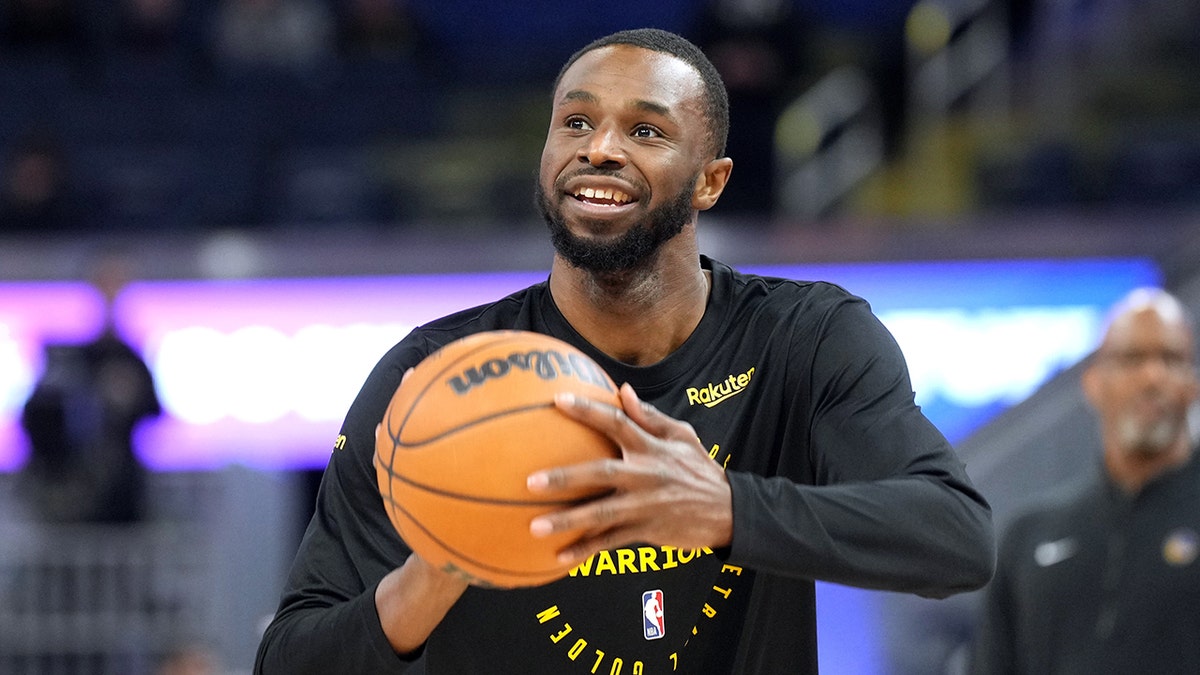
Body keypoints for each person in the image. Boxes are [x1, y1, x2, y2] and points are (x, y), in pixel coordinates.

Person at [255, 28, 994, 674]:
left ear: (711, 180)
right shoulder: (435, 376)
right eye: (575, 122)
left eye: (646, 131)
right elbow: (289, 658)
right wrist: (433, 575)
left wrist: (724, 509)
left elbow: (955, 537)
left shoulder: (805, 337)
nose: (599, 148)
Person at [970, 287, 1200, 674]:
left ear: (1193, 385)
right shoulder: (1029, 538)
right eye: (1132, 358)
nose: (1153, 376)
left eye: (1171, 359)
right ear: (1093, 383)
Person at [19, 253, 162, 523]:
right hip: (71, 495)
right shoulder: (69, 356)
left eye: (118, 283)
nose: (111, 292)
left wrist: (129, 397)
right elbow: (36, 418)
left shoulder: (131, 358)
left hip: (122, 494)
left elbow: (155, 411)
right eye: (105, 282)